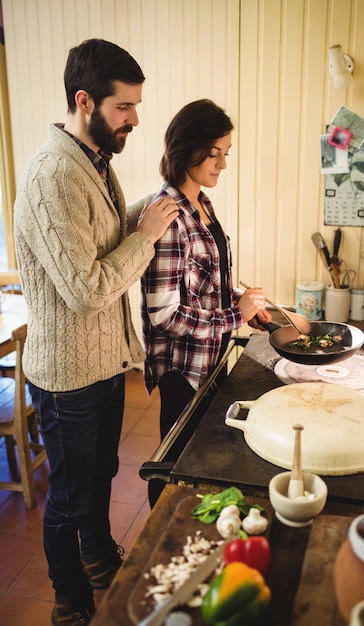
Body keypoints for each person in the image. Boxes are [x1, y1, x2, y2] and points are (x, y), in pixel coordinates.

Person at [13, 38, 179, 626]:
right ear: (85, 101)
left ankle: (100, 556)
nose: (136, 118)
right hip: (69, 378)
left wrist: (156, 205)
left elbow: (104, 237)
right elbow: (87, 288)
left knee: (102, 475)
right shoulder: (52, 176)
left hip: (105, 366)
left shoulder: (92, 161)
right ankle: (70, 599)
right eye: (124, 107)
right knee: (68, 498)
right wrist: (149, 234)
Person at [141, 99, 271, 505]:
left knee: (198, 463)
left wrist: (246, 305)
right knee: (174, 466)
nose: (222, 164)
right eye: (214, 153)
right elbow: (164, 314)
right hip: (183, 369)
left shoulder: (203, 205)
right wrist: (235, 314)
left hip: (209, 358)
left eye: (225, 153)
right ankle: (157, 546)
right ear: (186, 147)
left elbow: (205, 286)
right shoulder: (167, 215)